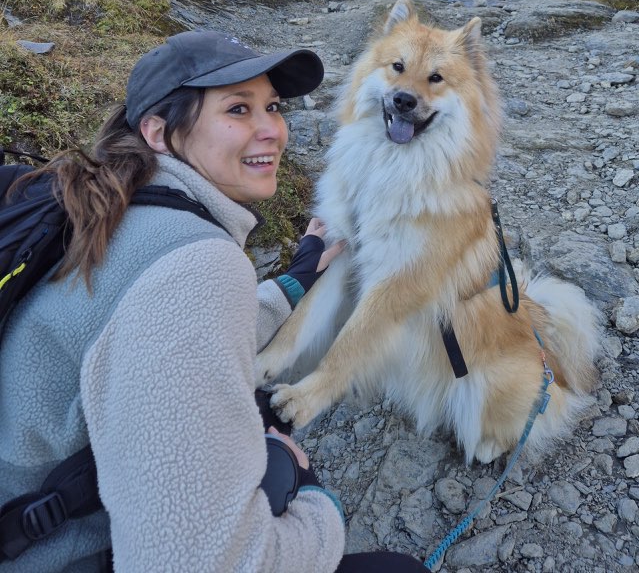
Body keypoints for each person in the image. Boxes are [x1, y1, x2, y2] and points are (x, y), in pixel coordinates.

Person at [0, 29, 425, 572]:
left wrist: (295, 280)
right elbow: (195, 563)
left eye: (272, 106)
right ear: (158, 131)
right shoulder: (198, 264)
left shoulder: (104, 209)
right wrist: (320, 507)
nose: (272, 129)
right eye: (238, 110)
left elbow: (159, 328)